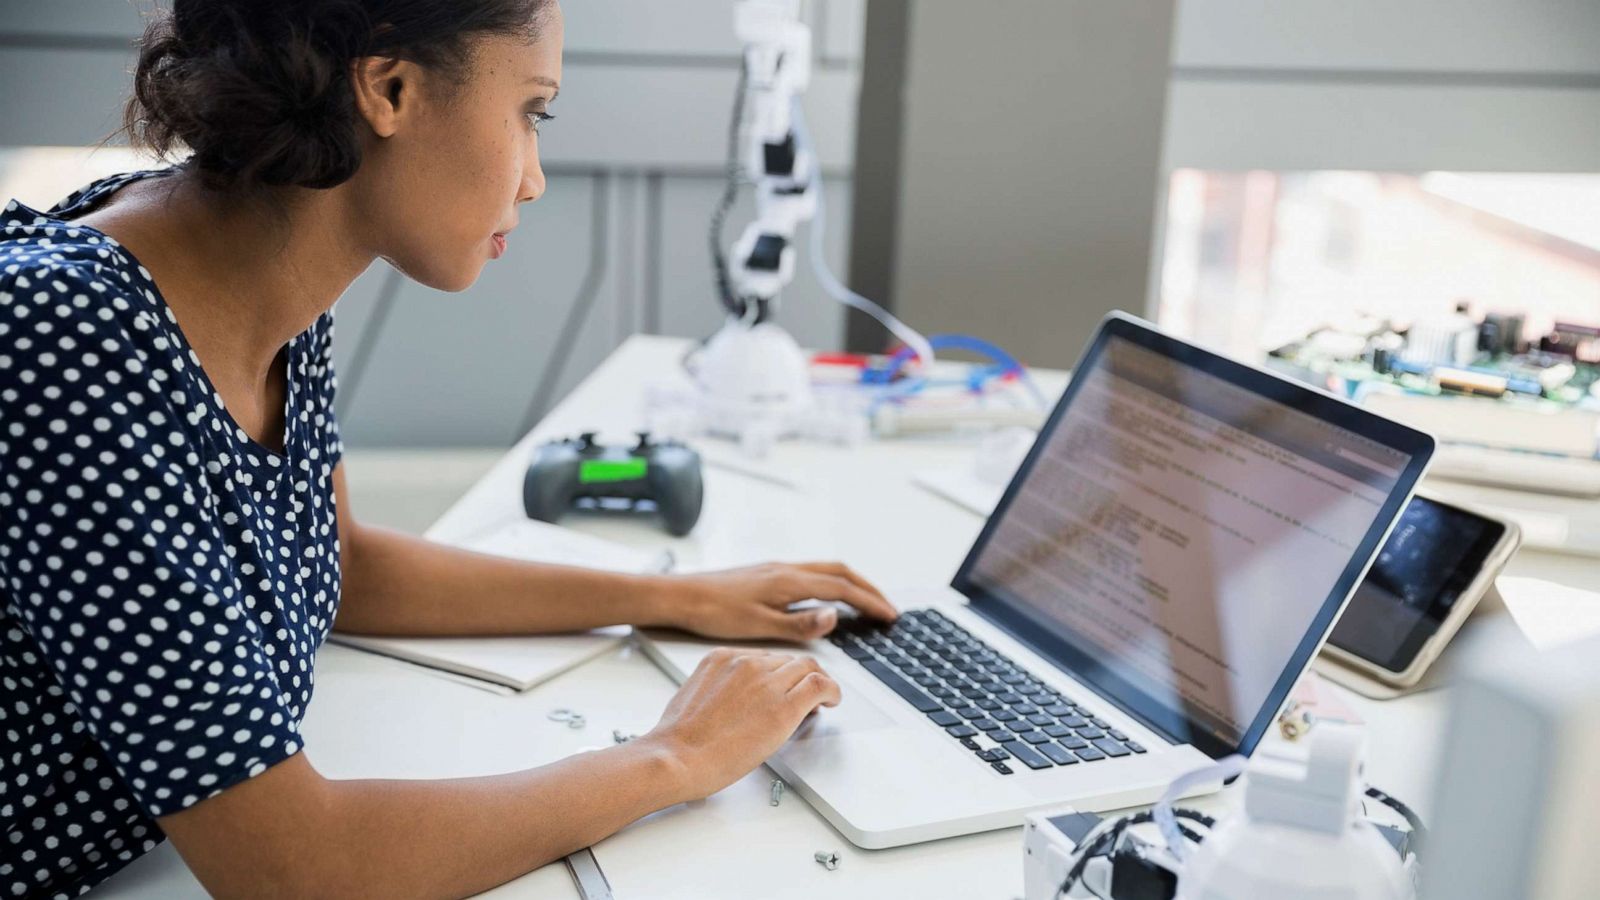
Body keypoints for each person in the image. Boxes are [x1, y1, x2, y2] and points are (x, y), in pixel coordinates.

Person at [0, 2, 897, 896]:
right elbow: (291, 866)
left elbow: (339, 565)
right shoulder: (63, 336)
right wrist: (677, 756)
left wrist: (668, 597)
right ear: (389, 88)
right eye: (530, 111)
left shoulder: (264, 266)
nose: (535, 177)